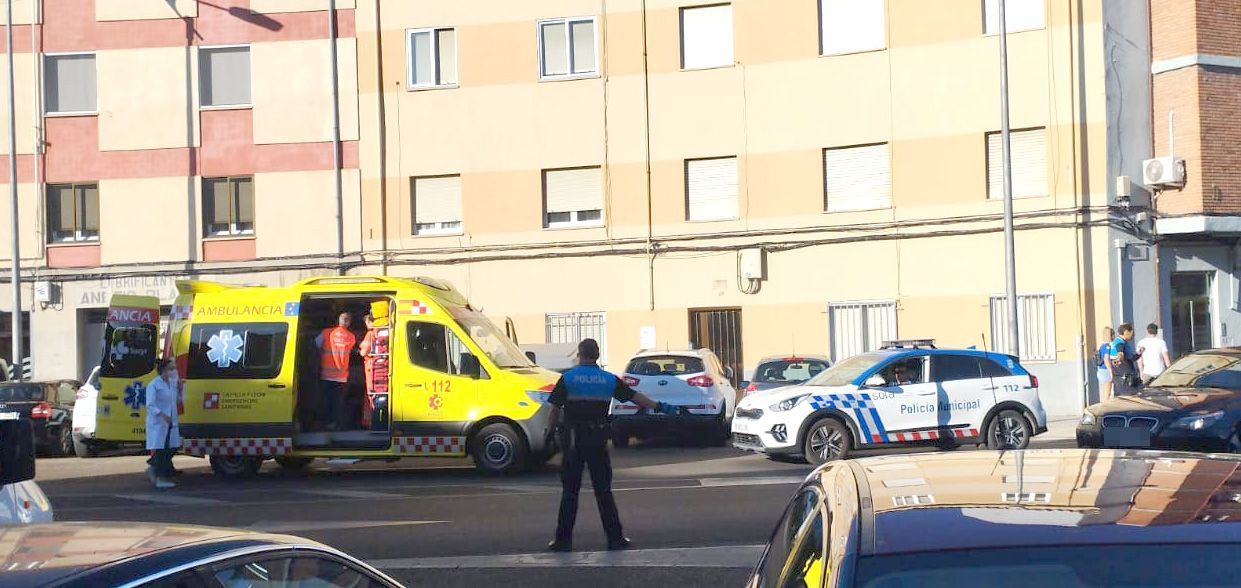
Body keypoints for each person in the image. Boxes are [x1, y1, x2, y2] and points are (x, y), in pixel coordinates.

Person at [546, 339, 680, 552]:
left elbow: (554, 409)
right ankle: (615, 539)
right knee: (603, 491)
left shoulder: (568, 378)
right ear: (597, 355)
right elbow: (635, 398)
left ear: (579, 355)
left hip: (573, 441)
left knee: (570, 492)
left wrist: (549, 432)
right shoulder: (608, 379)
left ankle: (563, 541)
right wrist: (660, 406)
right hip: (598, 440)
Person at [316, 312, 356, 431]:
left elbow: (315, 345)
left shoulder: (326, 333)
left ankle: (325, 424)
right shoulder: (351, 337)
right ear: (348, 323)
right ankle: (336, 425)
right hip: (341, 377)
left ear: (338, 320)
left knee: (325, 401)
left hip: (326, 375)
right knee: (338, 403)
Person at [145, 359, 181, 490]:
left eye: (174, 368)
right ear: (164, 370)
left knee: (172, 447)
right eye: (171, 369)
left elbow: (176, 401)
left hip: (171, 421)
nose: (174, 371)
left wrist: (181, 389)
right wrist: (162, 415)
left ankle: (155, 466)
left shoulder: (172, 384)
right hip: (159, 423)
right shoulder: (154, 385)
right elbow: (150, 405)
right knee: (161, 449)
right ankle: (160, 478)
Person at [1110, 323, 1139, 395]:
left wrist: (1139, 354)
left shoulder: (1124, 342)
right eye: (1132, 332)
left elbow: (1131, 358)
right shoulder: (1119, 342)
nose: (1133, 335)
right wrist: (1118, 359)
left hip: (1127, 377)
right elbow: (1120, 353)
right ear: (1126, 332)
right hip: (1124, 379)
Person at [1096, 326, 1114, 401]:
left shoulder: (1101, 346)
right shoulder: (1107, 346)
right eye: (1113, 334)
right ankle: (1105, 411)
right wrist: (1111, 371)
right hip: (1106, 371)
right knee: (1107, 394)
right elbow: (1106, 359)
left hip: (1100, 370)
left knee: (1103, 394)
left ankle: (1101, 410)